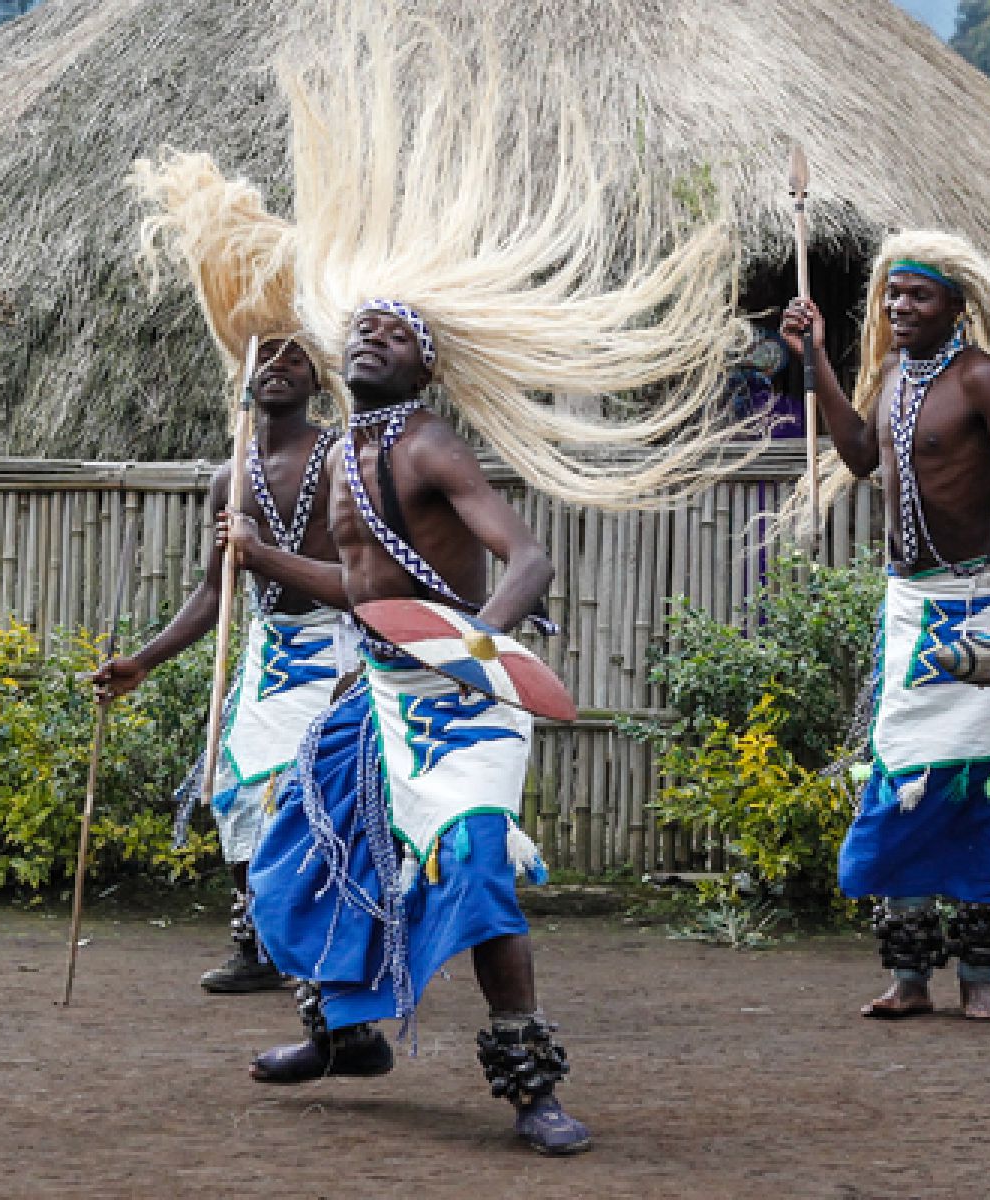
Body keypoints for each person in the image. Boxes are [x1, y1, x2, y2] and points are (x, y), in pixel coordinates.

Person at [202, 1, 753, 1156]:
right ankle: (344, 1032)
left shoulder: (429, 445)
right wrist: (260, 557)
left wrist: (479, 652)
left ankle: (531, 1084)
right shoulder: (342, 454)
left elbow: (529, 558)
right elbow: (359, 592)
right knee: (311, 844)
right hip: (376, 690)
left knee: (474, 869)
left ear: (428, 366)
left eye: (396, 336)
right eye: (363, 330)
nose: (370, 341)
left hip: (465, 701)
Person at [782, 234, 990, 1023]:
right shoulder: (893, 375)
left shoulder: (979, 378)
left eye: (918, 295)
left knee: (986, 788)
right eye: (892, 294)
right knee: (905, 786)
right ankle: (909, 978)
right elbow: (860, 456)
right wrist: (816, 360)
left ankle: (980, 982)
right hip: (912, 609)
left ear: (957, 305)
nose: (899, 307)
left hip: (981, 600)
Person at [98, 155, 349, 994]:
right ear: (241, 371)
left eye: (294, 356)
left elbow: (358, 578)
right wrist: (142, 662)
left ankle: (321, 945)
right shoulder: (227, 476)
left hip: (336, 651)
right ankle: (256, 944)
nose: (277, 365)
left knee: (312, 796)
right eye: (264, 355)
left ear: (318, 375)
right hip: (269, 654)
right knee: (236, 792)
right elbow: (215, 594)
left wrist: (263, 550)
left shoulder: (341, 461)